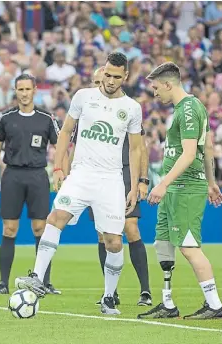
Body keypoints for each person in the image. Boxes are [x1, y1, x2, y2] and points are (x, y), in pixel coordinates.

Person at [15, 52, 144, 316]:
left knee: (113, 242)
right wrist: (59, 166)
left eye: (116, 76)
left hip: (111, 180)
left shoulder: (132, 107)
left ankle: (109, 297)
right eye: (107, 74)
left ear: (125, 77)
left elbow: (136, 149)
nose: (109, 80)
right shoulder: (83, 97)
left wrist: (136, 184)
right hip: (81, 174)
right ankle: (38, 277)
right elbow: (65, 131)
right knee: (55, 217)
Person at [138, 62, 222, 320]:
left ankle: (215, 305)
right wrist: (211, 181)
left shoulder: (188, 109)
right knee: (163, 242)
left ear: (168, 84)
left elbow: (188, 153)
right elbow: (207, 147)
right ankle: (168, 303)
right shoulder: (187, 108)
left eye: (155, 88)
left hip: (184, 187)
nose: (154, 93)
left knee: (188, 246)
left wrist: (162, 183)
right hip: (176, 186)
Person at [70, 67, 152, 307]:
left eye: (104, 79)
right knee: (103, 234)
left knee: (131, 227)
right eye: (97, 80)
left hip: (126, 171)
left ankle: (145, 290)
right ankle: (111, 292)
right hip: (97, 174)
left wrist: (142, 180)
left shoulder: (127, 108)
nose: (102, 84)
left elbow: (141, 148)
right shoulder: (89, 107)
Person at [0, 74, 66, 295]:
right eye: (20, 90)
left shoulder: (46, 119)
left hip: (38, 176)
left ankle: (44, 281)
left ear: (34, 90)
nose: (24, 94)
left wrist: (62, 173)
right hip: (12, 175)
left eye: (27, 89)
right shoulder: (5, 118)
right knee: (9, 228)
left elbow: (60, 149)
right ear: (15, 91)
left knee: (41, 228)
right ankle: (3, 282)